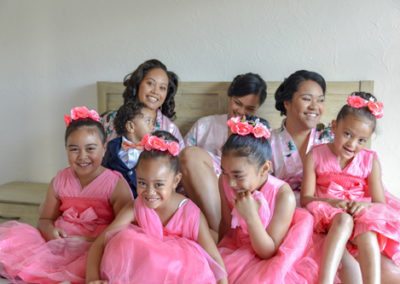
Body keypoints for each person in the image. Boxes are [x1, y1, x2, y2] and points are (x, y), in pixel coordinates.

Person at [0, 106, 133, 283]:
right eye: (74, 149)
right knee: (10, 241)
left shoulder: (115, 184)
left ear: (104, 148)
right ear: (66, 150)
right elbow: (45, 219)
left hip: (95, 246)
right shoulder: (60, 180)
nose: (82, 156)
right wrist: (51, 232)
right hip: (59, 244)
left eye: (90, 148)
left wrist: (89, 240)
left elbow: (124, 227)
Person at [86, 131, 227, 284]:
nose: (150, 192)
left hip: (179, 271)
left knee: (165, 260)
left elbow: (214, 256)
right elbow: (100, 242)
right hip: (142, 273)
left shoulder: (191, 214)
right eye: (142, 183)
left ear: (175, 181)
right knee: (124, 240)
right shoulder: (136, 206)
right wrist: (92, 279)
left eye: (159, 184)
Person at [301, 92, 400, 283]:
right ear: (334, 126)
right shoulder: (315, 155)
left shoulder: (370, 160)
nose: (352, 144)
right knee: (343, 221)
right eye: (347, 134)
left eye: (361, 140)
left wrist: (363, 206)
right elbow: (305, 198)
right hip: (327, 208)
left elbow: (379, 203)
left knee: (368, 234)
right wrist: (333, 201)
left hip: (358, 208)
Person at [218, 115, 317, 283]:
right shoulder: (224, 181)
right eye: (225, 172)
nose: (231, 182)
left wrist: (251, 216)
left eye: (238, 175)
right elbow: (227, 227)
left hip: (269, 254)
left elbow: (267, 252)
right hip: (237, 248)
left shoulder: (283, 195)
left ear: (265, 168)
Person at [181, 72, 267, 233]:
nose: (241, 111)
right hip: (204, 196)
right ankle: (220, 231)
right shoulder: (204, 125)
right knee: (189, 154)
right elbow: (178, 165)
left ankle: (219, 233)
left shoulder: (259, 134)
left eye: (249, 109)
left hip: (241, 196)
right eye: (237, 103)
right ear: (230, 97)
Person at [270, 69, 332, 198]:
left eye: (320, 100)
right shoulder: (268, 141)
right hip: (279, 210)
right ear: (287, 102)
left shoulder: (332, 140)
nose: (314, 106)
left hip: (325, 210)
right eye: (306, 99)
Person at [101, 59, 184, 149]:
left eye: (162, 88)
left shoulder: (170, 129)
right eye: (150, 83)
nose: (155, 91)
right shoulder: (109, 120)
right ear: (138, 84)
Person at [102, 100, 156, 197]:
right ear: (131, 126)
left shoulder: (152, 150)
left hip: (143, 197)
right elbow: (104, 170)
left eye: (153, 122)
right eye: (148, 121)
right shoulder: (112, 146)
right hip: (117, 196)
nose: (153, 127)